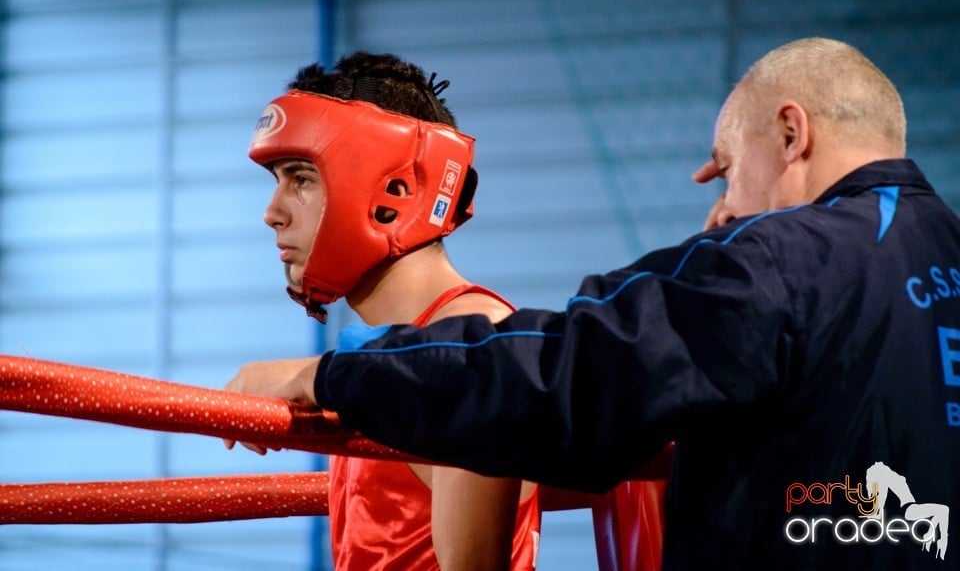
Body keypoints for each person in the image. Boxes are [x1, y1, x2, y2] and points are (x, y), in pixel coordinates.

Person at [226, 37, 960, 569]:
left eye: (728, 174)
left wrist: (333, 373)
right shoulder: (936, 253)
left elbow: (572, 376)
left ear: (792, 134)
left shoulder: (787, 259)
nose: (719, 215)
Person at [224, 52, 541, 571]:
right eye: (276, 179)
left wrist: (311, 376)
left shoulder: (483, 339)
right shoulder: (384, 364)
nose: (272, 213)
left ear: (394, 190)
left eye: (301, 178)